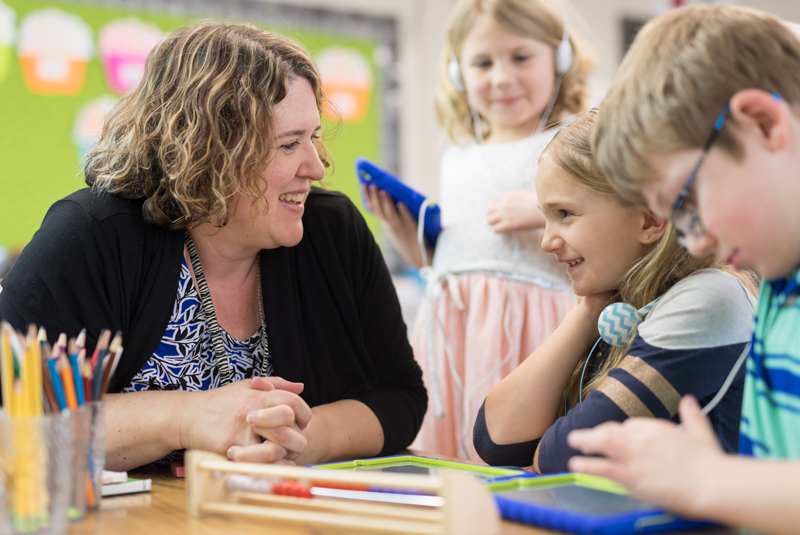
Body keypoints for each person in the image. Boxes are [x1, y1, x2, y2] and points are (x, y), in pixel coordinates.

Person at [0, 21, 426, 471]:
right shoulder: (92, 234)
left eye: (313, 138)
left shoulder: (333, 231)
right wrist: (185, 417)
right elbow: (14, 417)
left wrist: (300, 438)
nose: (316, 167)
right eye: (288, 145)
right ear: (209, 152)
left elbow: (401, 396)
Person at [562, 6, 800, 535]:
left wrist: (716, 482)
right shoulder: (779, 289)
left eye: (688, 200)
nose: (693, 239)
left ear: (762, 122)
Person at [365, 0, 594, 460]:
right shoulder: (458, 157)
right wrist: (416, 249)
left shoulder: (571, 141)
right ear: (457, 74)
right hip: (455, 331)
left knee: (519, 449)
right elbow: (459, 260)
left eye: (521, 57)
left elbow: (609, 215)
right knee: (450, 453)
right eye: (483, 62)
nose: (501, 77)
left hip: (532, 329)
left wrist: (544, 208)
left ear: (560, 59)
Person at [473, 110, 758, 473]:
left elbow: (562, 456)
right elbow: (496, 440)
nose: (547, 241)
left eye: (565, 213)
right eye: (545, 217)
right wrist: (587, 313)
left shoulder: (711, 299)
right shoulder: (617, 304)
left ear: (650, 220)